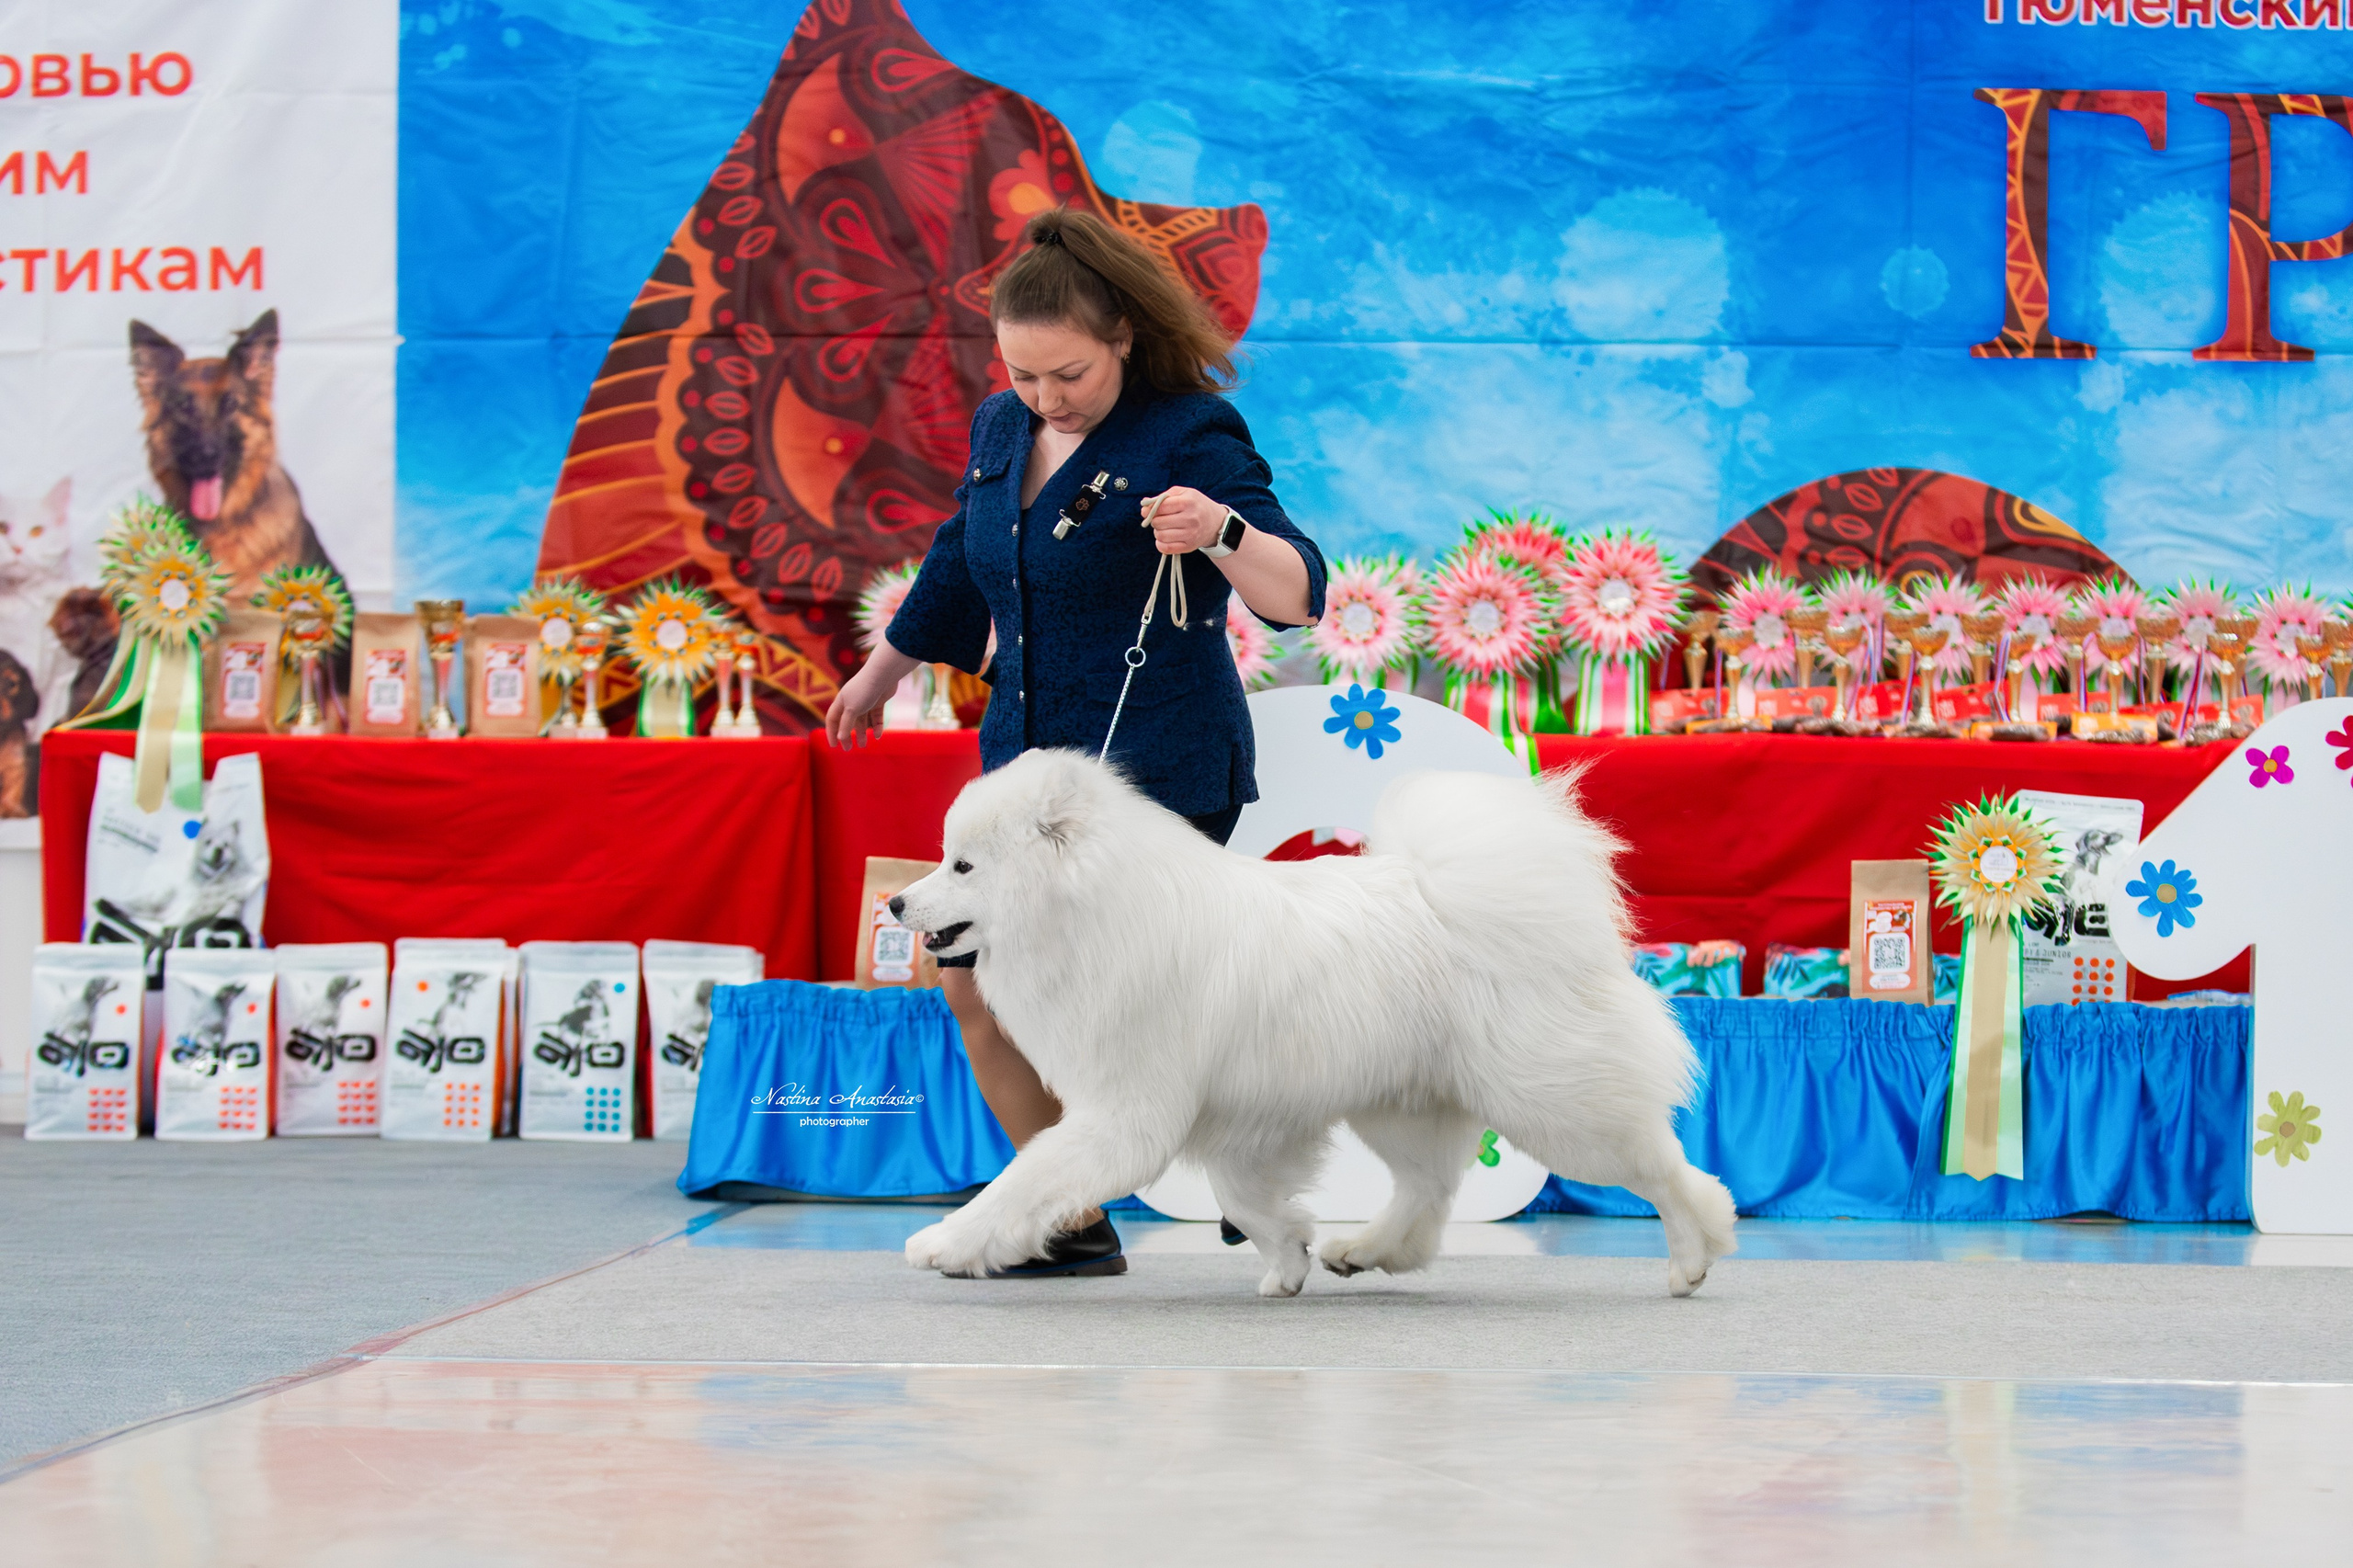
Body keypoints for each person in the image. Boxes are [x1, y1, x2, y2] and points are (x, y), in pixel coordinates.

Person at [825, 209, 1328, 1278]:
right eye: (1023, 374)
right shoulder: (1000, 429)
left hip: (1156, 766)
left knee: (1166, 999)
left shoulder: (1191, 433)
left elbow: (1295, 591)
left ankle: (1248, 1170)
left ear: (1123, 343)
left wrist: (1223, 533)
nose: (1045, 397)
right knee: (969, 978)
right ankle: (1070, 1217)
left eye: (1068, 376)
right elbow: (959, 564)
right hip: (1024, 766)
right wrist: (882, 671)